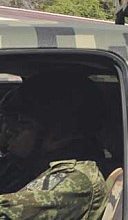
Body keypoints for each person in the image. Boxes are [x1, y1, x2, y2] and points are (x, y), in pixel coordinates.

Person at [0, 72, 107, 218]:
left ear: (57, 135)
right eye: (8, 121)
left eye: (21, 123)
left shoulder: (76, 180)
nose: (8, 132)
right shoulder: (21, 164)